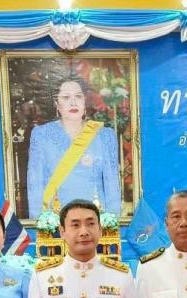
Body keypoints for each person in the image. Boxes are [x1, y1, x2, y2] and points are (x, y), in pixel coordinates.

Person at [26, 76, 121, 218]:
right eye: (66, 97)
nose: (73, 102)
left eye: (78, 96)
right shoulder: (41, 135)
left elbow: (112, 185)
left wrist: (113, 222)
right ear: (57, 104)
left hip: (96, 218)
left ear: (84, 101)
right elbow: (35, 184)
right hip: (55, 220)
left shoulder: (104, 135)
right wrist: (39, 222)